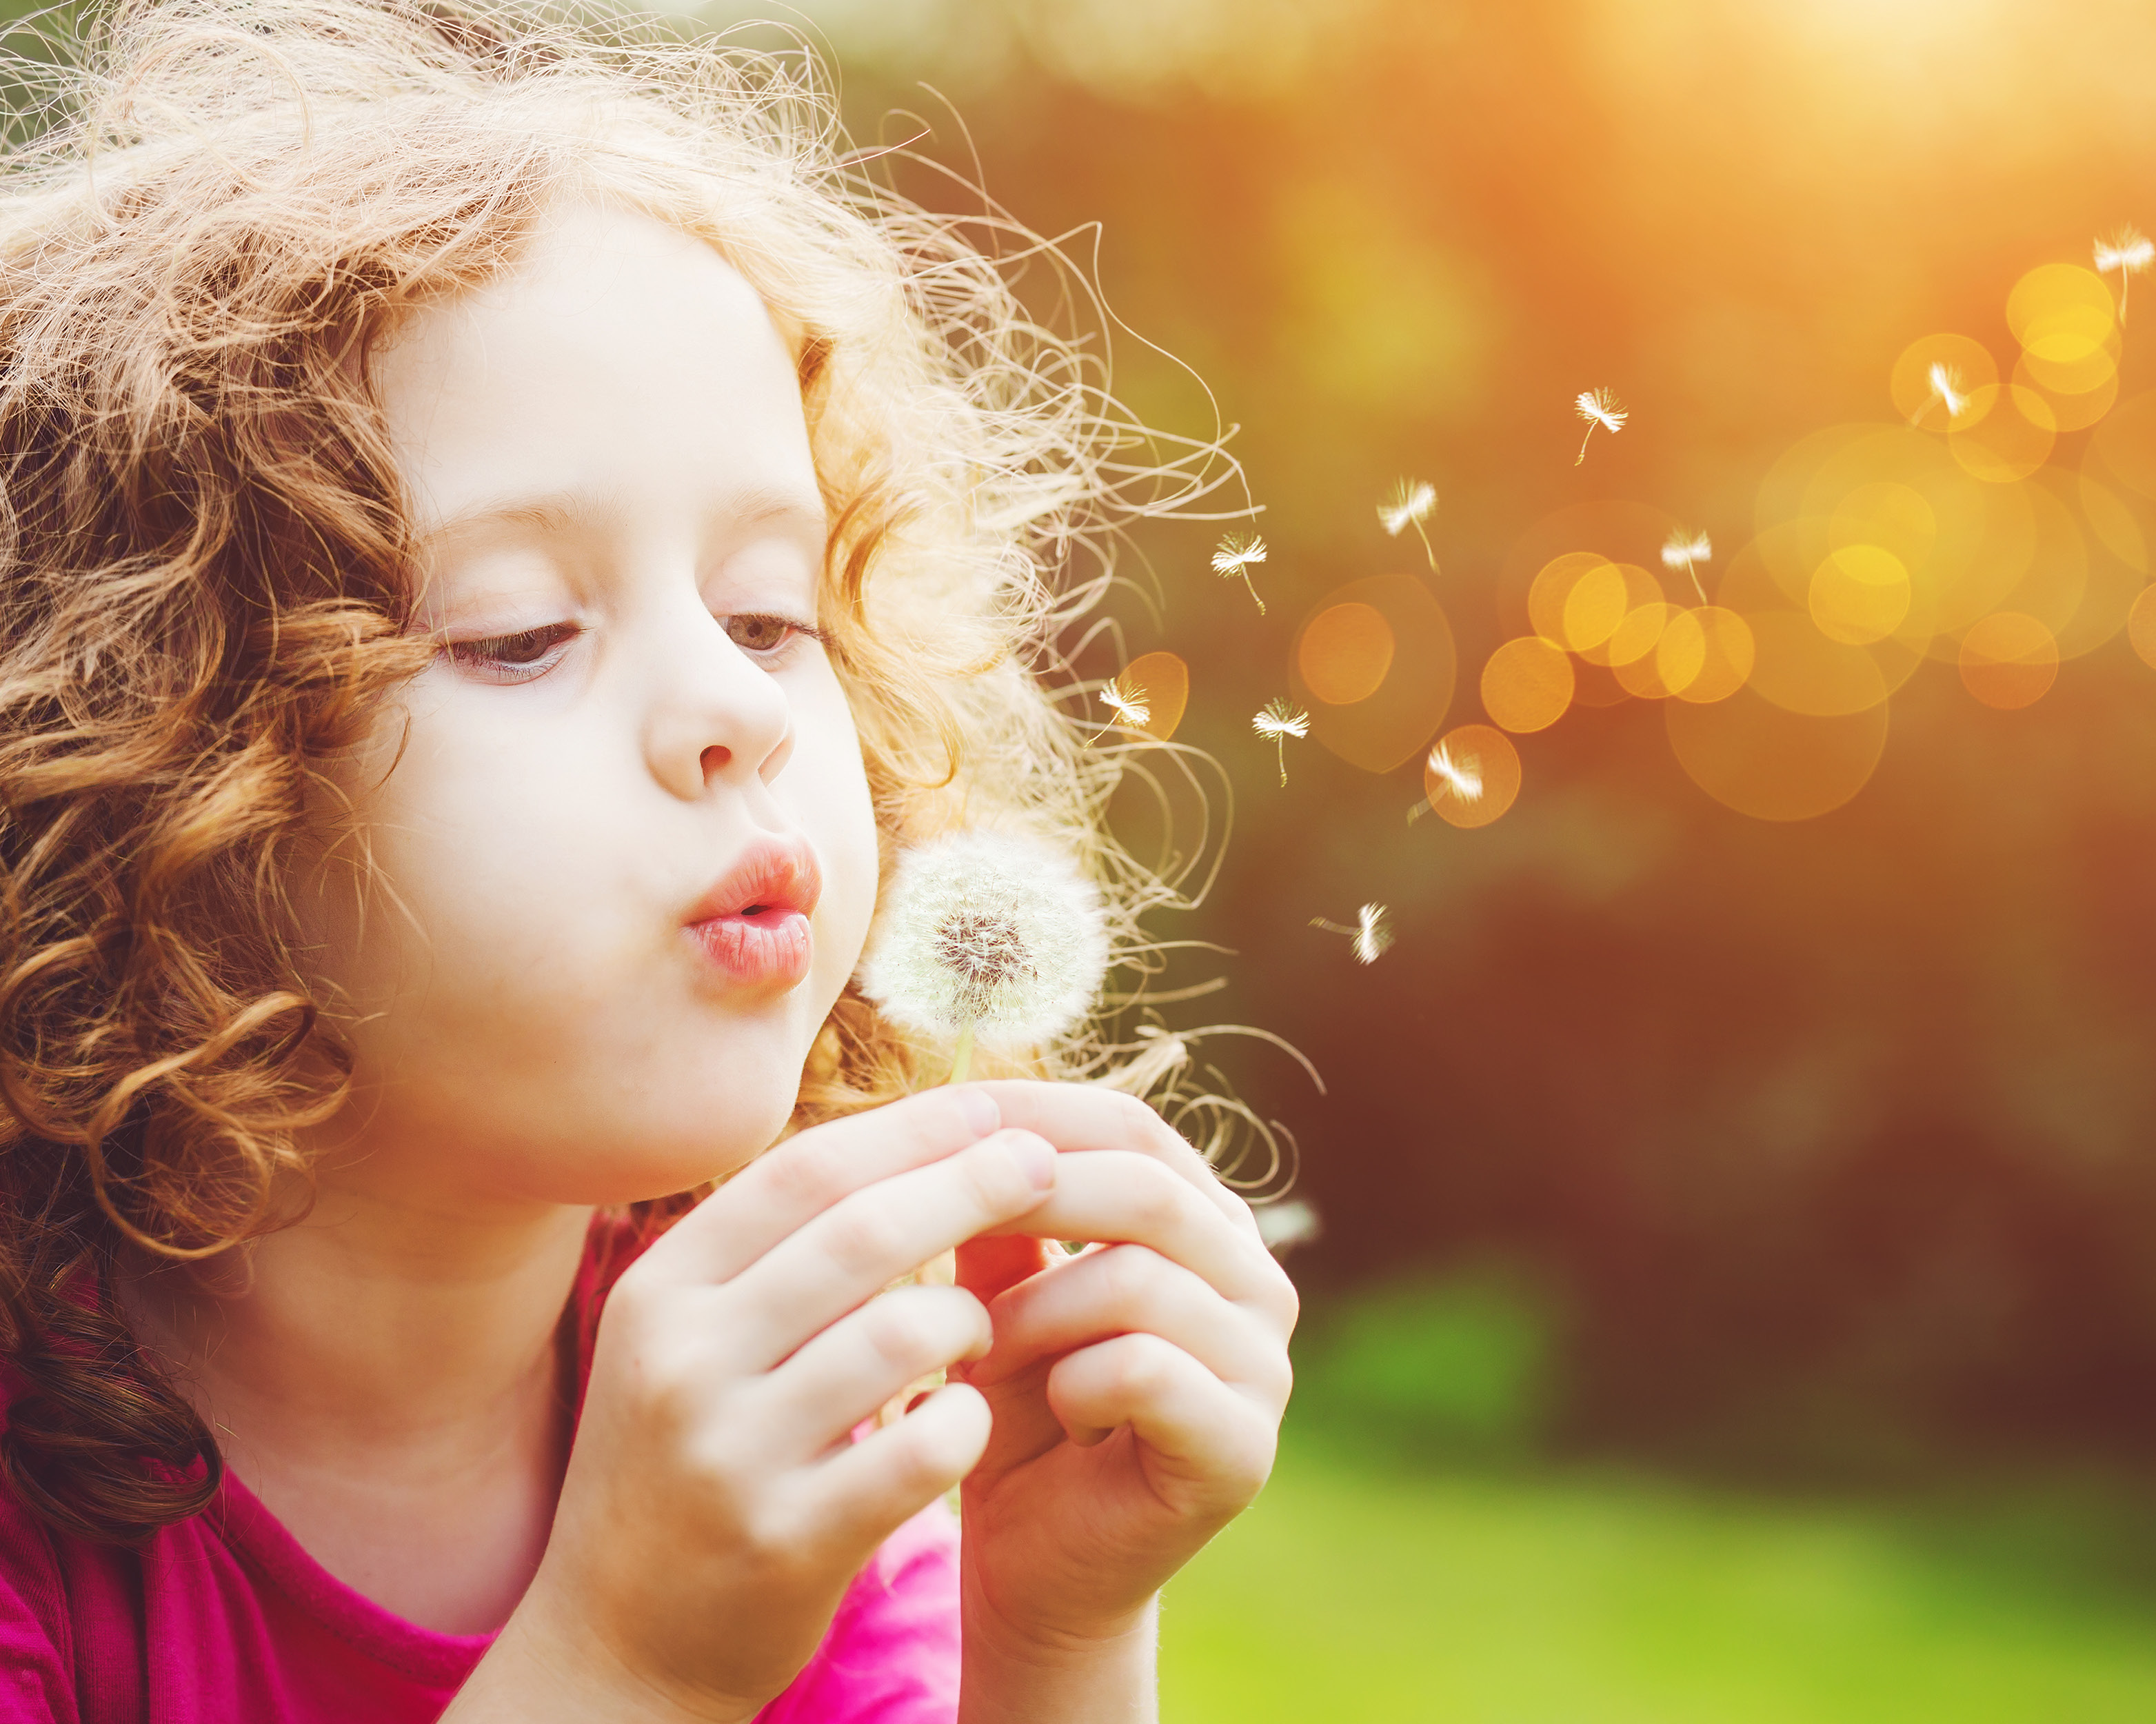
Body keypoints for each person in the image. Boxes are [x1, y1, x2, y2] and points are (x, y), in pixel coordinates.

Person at [0, 3, 1296, 1718]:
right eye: (519, 633)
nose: (732, 707)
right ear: (142, 772)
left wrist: (1051, 1630)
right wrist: (625, 1655)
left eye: (772, 611)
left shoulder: (800, 1417)